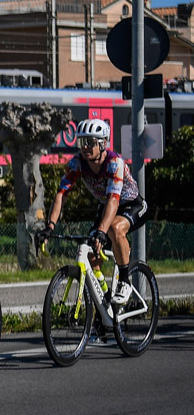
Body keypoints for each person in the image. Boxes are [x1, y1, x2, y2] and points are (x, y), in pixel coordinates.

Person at [43, 117, 150, 305]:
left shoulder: (114, 162)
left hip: (131, 205)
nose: (85, 147)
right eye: (81, 142)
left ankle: (124, 281)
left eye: (90, 143)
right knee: (90, 251)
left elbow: (113, 200)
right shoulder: (77, 163)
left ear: (102, 144)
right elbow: (61, 195)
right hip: (106, 206)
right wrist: (49, 226)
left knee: (114, 229)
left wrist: (102, 231)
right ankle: (105, 300)